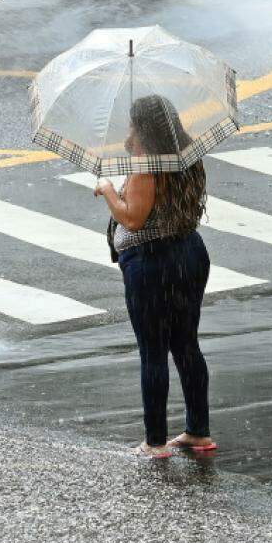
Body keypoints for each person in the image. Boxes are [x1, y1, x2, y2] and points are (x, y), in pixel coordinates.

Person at [94, 94, 215, 459]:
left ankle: (155, 441)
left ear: (144, 127)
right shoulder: (185, 154)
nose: (129, 130)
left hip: (152, 263)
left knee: (153, 352)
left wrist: (109, 191)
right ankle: (198, 431)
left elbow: (133, 218)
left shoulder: (147, 165)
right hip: (188, 254)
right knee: (186, 345)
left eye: (133, 124)